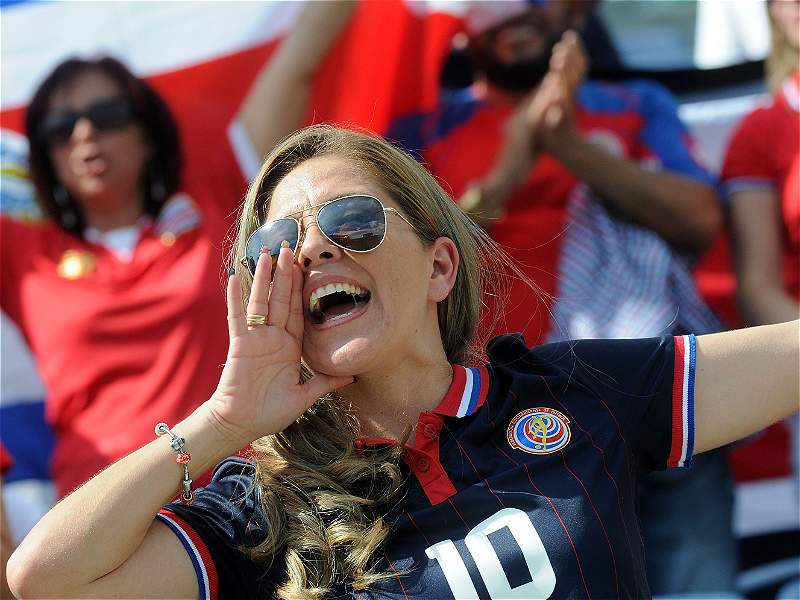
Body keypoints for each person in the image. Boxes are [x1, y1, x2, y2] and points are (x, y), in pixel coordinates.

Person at [7, 124, 799, 600]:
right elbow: (45, 579)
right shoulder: (255, 509)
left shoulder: (574, 389)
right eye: (278, 244)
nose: (313, 248)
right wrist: (224, 421)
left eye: (351, 220)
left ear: (440, 268)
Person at [387, 0, 736, 593]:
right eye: (491, 6)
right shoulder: (422, 134)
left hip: (651, 387)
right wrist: (511, 165)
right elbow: (404, 266)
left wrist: (572, 148)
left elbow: (700, 220)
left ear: (570, 11)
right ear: (461, 30)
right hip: (502, 421)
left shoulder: (636, 104)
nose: (514, 14)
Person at [0, 2, 356, 499]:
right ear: (44, 156)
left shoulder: (221, 201)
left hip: (247, 496)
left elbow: (299, 62)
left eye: (107, 116)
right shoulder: (22, 254)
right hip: (101, 518)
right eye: (60, 128)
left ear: (148, 133)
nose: (84, 135)